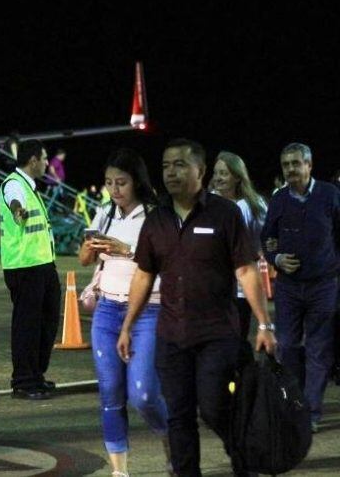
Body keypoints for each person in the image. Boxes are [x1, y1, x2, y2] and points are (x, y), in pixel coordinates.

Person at [117, 138, 276, 477]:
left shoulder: (225, 214)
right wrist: (128, 325)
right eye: (165, 165)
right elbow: (144, 275)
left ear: (200, 171)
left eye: (179, 165)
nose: (170, 172)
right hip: (172, 335)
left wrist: (264, 324)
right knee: (179, 415)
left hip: (217, 333)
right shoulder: (156, 220)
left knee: (215, 408)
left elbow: (246, 270)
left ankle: (243, 459)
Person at [78, 148, 170, 477]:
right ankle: (120, 471)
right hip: (106, 310)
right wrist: (89, 248)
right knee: (110, 393)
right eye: (108, 183)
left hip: (148, 311)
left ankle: (170, 438)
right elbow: (85, 260)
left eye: (121, 183)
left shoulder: (155, 215)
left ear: (137, 182)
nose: (114, 190)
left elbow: (165, 263)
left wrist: (125, 250)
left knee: (143, 393)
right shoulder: (104, 213)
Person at [261, 142, 340, 432]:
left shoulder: (330, 195)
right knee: (289, 346)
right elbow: (267, 236)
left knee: (319, 349)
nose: (291, 170)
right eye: (286, 165)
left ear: (309, 165)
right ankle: (296, 404)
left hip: (323, 285)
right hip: (289, 287)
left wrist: (333, 266)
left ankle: (312, 412)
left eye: (296, 163)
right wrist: (276, 258)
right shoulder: (279, 199)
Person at [0, 139, 59, 400]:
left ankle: (36, 375)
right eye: (44, 158)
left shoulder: (32, 187)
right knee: (28, 326)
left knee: (46, 323)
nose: (47, 163)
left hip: (43, 265)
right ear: (33, 160)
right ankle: (23, 381)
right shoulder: (14, 184)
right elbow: (15, 202)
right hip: (24, 267)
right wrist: (18, 211)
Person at [211, 151, 268, 341]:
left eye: (224, 173)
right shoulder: (206, 202)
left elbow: (263, 240)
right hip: (212, 287)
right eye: (216, 173)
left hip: (240, 289)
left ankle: (251, 368)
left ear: (237, 177)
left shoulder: (253, 205)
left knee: (237, 340)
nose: (218, 178)